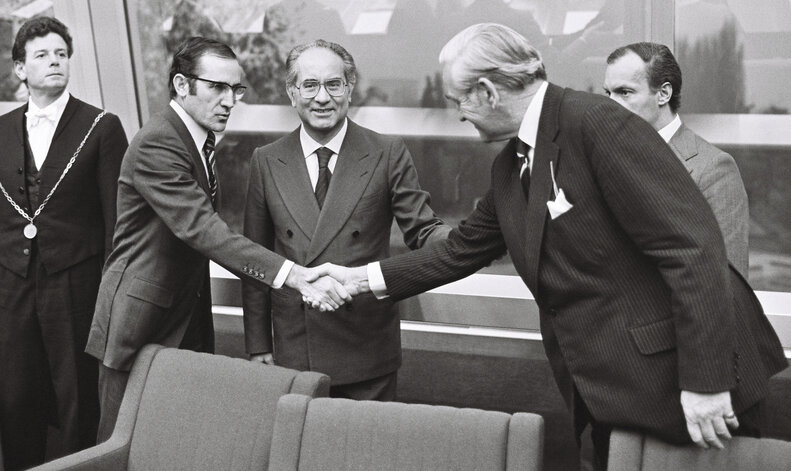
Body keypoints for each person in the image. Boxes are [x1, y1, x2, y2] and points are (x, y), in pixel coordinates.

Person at [317, 23, 787, 470]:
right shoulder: (510, 166)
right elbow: (460, 250)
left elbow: (692, 248)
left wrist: (705, 382)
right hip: (615, 392)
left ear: (487, 91)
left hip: (692, 388)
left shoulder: (598, 122)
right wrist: (359, 278)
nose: (458, 113)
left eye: (459, 100)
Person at [85, 36, 350, 441]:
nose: (230, 100)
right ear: (181, 85)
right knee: (118, 449)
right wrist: (294, 275)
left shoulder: (198, 139)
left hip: (183, 320)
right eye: (217, 88)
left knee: (173, 447)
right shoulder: (159, 141)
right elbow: (204, 230)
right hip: (139, 324)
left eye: (236, 89)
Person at [242, 39, 450, 401]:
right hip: (295, 351)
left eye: (333, 84)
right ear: (292, 93)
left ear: (349, 89)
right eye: (309, 85)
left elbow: (423, 229)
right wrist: (259, 343)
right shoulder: (266, 160)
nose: (322, 97)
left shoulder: (387, 152)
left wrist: (467, 243)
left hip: (366, 349)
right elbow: (256, 259)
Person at [0, 16, 127, 471]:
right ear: (20, 69)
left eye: (60, 54)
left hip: (76, 284)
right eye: (41, 55)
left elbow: (119, 223)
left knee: (77, 396)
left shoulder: (101, 126)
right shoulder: (0, 130)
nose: (54, 62)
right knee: (13, 396)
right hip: (10, 287)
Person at [604, 42, 749, 277]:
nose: (610, 104)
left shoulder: (714, 170)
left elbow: (729, 283)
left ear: (663, 94)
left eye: (624, 92)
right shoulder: (604, 160)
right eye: (608, 93)